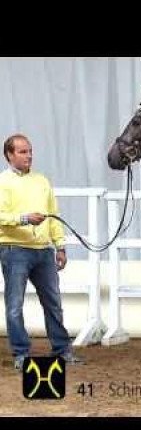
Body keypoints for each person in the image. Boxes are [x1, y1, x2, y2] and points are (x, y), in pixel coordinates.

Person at [0, 133, 85, 370]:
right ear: (9, 155)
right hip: (14, 249)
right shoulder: (2, 182)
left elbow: (53, 215)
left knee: (53, 302)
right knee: (15, 304)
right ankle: (21, 354)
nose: (29, 156)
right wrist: (24, 219)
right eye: (22, 152)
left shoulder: (42, 181)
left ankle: (62, 349)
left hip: (43, 251)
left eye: (29, 151)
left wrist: (60, 246)